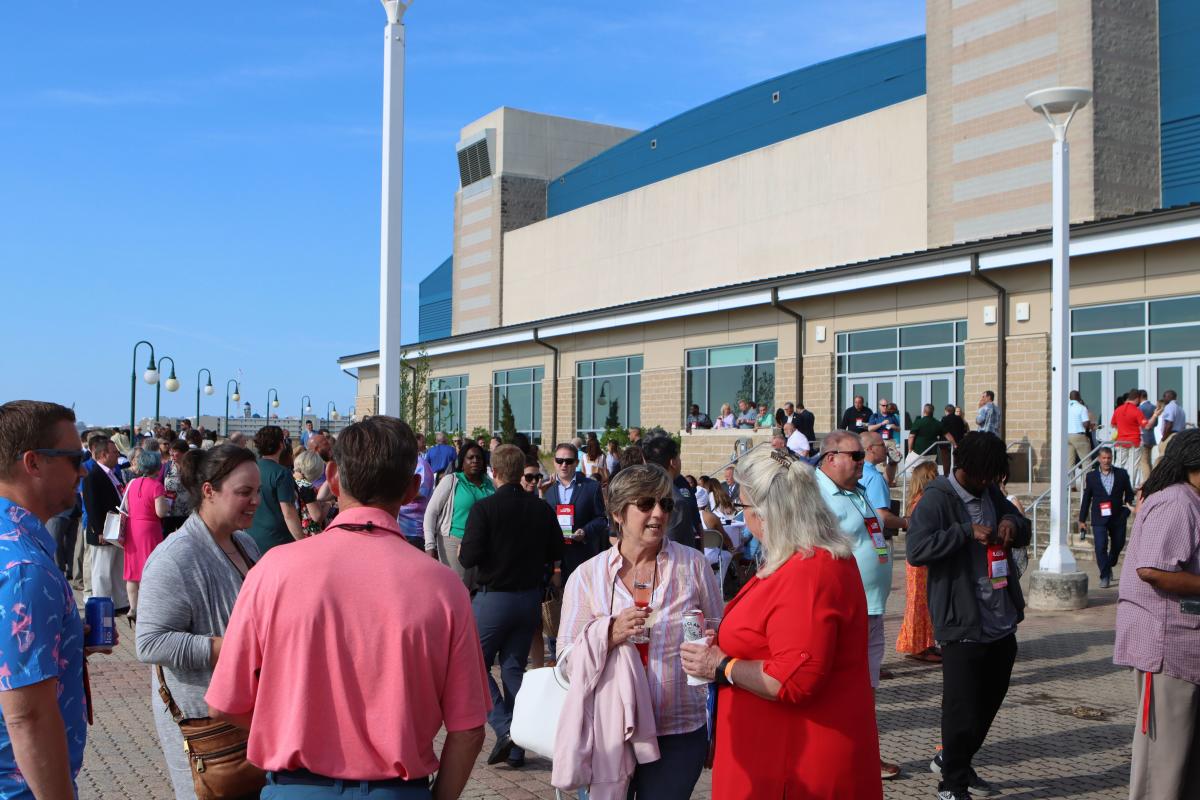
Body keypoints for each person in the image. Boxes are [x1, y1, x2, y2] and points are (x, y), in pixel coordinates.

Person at [205, 416, 491, 799]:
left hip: (296, 786)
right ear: (413, 489)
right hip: (395, 790)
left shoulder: (272, 572)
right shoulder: (443, 588)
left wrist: (286, 728)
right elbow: (469, 728)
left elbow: (226, 703)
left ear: (333, 477)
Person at [680, 445, 883, 799]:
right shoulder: (801, 558)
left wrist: (722, 665)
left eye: (742, 507)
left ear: (766, 511)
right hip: (780, 755)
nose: (742, 518)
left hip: (793, 765)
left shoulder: (809, 570)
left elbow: (792, 680)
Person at [559, 464, 722, 799]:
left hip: (677, 729)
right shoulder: (587, 577)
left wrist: (708, 648)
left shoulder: (693, 565)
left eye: (666, 504)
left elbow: (718, 633)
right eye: (646, 504)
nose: (658, 514)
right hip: (607, 731)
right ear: (618, 512)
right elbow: (565, 664)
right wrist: (609, 633)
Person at [0, 401, 117, 799]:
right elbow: (28, 716)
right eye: (74, 458)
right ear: (32, 463)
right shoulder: (24, 568)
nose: (83, 469)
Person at [907, 431, 1032, 800]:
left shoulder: (990, 491)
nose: (987, 483)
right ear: (964, 468)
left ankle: (953, 757)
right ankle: (952, 784)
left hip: (1000, 619)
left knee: (989, 702)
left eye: (993, 478)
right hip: (962, 622)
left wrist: (1014, 525)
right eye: (982, 476)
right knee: (960, 709)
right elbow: (916, 549)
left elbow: (1018, 526)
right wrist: (964, 532)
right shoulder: (936, 500)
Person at [136, 444, 263, 800]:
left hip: (243, 712)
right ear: (209, 491)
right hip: (204, 724)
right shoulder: (176, 557)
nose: (255, 501)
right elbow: (150, 643)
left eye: (257, 492)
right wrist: (228, 648)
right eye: (244, 492)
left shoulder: (244, 543)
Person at [458, 445, 563, 769]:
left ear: (495, 472)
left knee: (472, 666)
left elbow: (467, 558)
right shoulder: (541, 508)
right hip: (527, 598)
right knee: (514, 667)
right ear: (520, 473)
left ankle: (506, 730)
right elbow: (555, 549)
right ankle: (519, 747)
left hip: (495, 597)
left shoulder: (485, 509)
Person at [1113, 428, 1200, 800]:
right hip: (1166, 647)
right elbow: (1151, 569)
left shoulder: (1190, 499)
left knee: (1184, 758)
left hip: (1185, 645)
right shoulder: (1176, 502)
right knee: (1163, 759)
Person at [814, 430, 899, 780]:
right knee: (846, 687)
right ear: (831, 457)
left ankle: (862, 751)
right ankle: (842, 756)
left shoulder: (857, 491)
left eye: (864, 456)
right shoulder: (817, 496)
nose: (863, 461)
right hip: (845, 609)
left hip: (871, 606)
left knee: (867, 687)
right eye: (856, 455)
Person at [424, 440, 495, 582]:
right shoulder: (451, 481)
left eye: (479, 458)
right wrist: (430, 546)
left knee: (479, 591)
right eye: (470, 458)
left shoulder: (490, 484)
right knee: (457, 589)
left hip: (485, 544)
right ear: (462, 462)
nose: (475, 461)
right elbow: (431, 513)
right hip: (453, 542)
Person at [543, 443, 609, 586]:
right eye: (560, 461)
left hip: (583, 557)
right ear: (554, 462)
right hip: (557, 560)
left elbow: (602, 519)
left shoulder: (591, 487)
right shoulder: (548, 490)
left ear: (577, 463)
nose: (564, 465)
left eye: (569, 461)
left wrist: (585, 531)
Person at [896, 461, 941, 664]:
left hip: (922, 559)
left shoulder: (920, 500)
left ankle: (927, 642)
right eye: (935, 473)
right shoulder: (922, 501)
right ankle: (918, 646)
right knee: (919, 603)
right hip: (920, 561)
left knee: (925, 602)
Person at [81, 434, 130, 613]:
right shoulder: (92, 475)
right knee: (102, 570)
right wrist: (99, 529)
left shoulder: (113, 473)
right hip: (103, 530)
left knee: (117, 567)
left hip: (116, 527)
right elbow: (91, 504)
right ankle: (102, 602)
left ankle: (120, 602)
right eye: (114, 452)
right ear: (103, 455)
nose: (117, 455)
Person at [123, 447, 170, 622]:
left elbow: (127, 508)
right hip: (150, 530)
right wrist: (167, 505)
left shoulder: (131, 484)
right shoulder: (157, 486)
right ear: (157, 468)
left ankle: (132, 608)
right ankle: (150, 608)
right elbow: (161, 513)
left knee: (132, 572)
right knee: (150, 568)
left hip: (132, 528)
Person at [1078, 447, 1135, 589]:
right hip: (1099, 518)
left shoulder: (1122, 474)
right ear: (1099, 459)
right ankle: (1104, 575)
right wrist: (1082, 519)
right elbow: (1086, 498)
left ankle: (1109, 564)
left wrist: (1126, 512)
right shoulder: (1091, 477)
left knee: (1118, 545)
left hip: (1117, 517)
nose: (1106, 461)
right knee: (1100, 546)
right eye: (1103, 458)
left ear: (1112, 458)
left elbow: (1129, 494)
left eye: (1109, 458)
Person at [245, 426, 304, 554]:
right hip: (277, 540)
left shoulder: (250, 468)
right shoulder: (282, 473)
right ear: (281, 444)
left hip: (250, 536)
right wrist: (302, 541)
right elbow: (288, 513)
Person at [642, 436, 702, 550]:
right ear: (673, 462)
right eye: (679, 458)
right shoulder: (675, 501)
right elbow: (670, 546)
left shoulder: (637, 489)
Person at [396, 444, 434, 550]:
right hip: (399, 527)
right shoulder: (402, 463)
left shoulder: (420, 464)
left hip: (413, 530)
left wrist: (392, 492)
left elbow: (421, 492)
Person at [292, 449, 328, 536]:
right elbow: (317, 516)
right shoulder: (304, 485)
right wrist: (328, 504)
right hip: (307, 535)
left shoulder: (293, 478)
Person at [1111, 389, 1145, 477]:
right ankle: (1130, 485)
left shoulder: (1118, 409)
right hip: (1134, 441)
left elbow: (1113, 424)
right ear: (1137, 399)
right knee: (1134, 465)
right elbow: (1145, 425)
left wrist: (1122, 428)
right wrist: (1155, 416)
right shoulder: (1137, 411)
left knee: (1119, 464)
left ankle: (1116, 483)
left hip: (1121, 440)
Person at [161, 440, 192, 536]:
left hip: (187, 513)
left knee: (186, 541)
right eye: (171, 450)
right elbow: (158, 484)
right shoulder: (166, 467)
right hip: (169, 512)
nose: (171, 453)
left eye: (175, 451)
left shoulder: (192, 468)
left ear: (184, 453)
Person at [907, 404, 944, 469]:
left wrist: (910, 449)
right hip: (932, 452)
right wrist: (954, 444)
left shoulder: (918, 422)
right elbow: (947, 435)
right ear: (933, 412)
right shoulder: (938, 423)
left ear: (924, 411)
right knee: (928, 471)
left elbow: (911, 436)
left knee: (910, 468)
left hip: (919, 453)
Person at [1067, 390, 1093, 477]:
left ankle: (1070, 485)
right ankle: (1087, 484)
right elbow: (1085, 424)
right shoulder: (1081, 407)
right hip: (1078, 435)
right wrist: (1091, 425)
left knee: (1070, 461)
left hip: (1067, 436)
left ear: (1070, 398)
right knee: (1086, 460)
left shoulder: (1065, 407)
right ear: (1078, 397)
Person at [1137, 389, 1157, 488]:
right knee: (1148, 460)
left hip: (1143, 437)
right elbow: (1156, 423)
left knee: (1144, 462)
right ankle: (1152, 480)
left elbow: (1138, 423)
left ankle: (1147, 482)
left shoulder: (1140, 408)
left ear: (1140, 397)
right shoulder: (1154, 407)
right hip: (1151, 437)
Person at [939, 404, 968, 476]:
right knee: (956, 462)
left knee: (946, 462)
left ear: (946, 411)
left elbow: (942, 430)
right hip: (958, 443)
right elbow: (963, 431)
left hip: (945, 444)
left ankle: (947, 476)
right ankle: (956, 477)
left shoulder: (944, 419)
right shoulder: (960, 419)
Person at [1157, 389, 1187, 457]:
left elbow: (1169, 424)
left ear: (1169, 397)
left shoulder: (1170, 407)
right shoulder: (1181, 409)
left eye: (1164, 396)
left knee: (1164, 458)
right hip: (1179, 436)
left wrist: (1164, 438)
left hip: (1170, 436)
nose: (1164, 399)